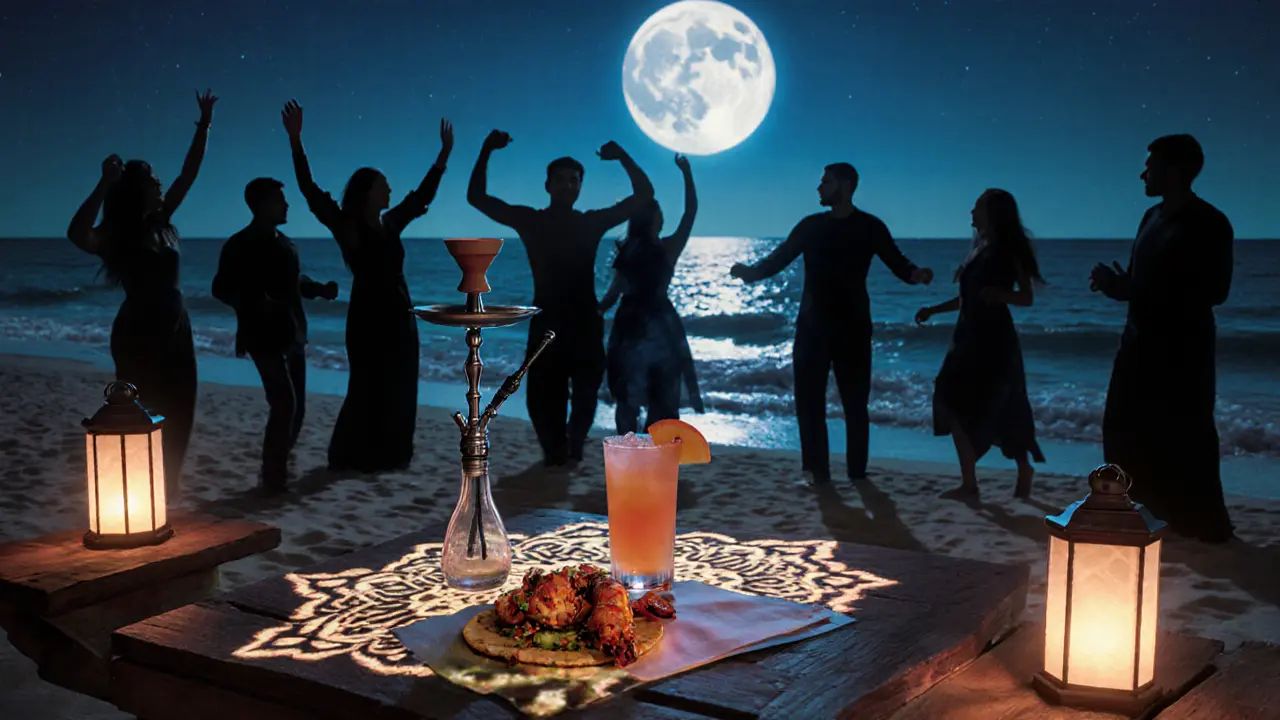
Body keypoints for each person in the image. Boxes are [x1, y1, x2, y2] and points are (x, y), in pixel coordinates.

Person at [730, 163, 933, 484]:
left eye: (826, 182)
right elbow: (779, 258)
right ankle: (816, 472)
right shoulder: (810, 226)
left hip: (853, 328)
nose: (819, 187)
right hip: (812, 327)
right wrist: (751, 273)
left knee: (855, 404)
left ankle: (857, 473)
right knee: (809, 403)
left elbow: (898, 262)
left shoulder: (870, 227)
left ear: (846, 186)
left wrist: (917, 274)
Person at [281, 100, 452, 473]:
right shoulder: (348, 226)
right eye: (383, 185)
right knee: (368, 384)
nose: (389, 190)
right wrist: (297, 142)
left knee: (402, 381)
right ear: (367, 192)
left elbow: (419, 199)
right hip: (368, 316)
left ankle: (392, 454)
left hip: (400, 312)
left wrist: (442, 158)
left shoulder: (390, 224)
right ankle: (352, 455)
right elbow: (310, 191)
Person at [467, 130, 654, 466]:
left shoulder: (591, 222)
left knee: (585, 392)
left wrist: (623, 156)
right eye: (561, 180)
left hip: (584, 320)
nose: (568, 186)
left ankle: (575, 447)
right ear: (548, 185)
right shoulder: (531, 220)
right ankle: (555, 452)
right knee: (541, 394)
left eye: (574, 181)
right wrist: (486, 151)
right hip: (548, 319)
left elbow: (644, 194)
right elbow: (477, 198)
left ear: (580, 186)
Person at [66, 89, 218, 500]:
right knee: (139, 418)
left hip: (176, 330)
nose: (159, 182)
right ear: (135, 189)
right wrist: (104, 183)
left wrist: (204, 122)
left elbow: (190, 171)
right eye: (151, 179)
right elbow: (77, 233)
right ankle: (139, 494)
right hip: (139, 333)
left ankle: (164, 493)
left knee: (181, 413)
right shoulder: (117, 233)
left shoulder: (162, 222)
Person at [1089, 134, 1235, 543]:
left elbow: (1214, 291)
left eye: (1150, 166)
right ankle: (1141, 513)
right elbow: (1138, 283)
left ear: (1174, 171)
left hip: (1182, 352)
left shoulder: (1209, 222)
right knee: (1122, 431)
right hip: (1137, 345)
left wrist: (1134, 287)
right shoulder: (1150, 218)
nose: (1143, 174)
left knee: (1188, 437)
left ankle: (1202, 526)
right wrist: (1116, 285)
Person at [915, 189, 1046, 499]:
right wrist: (934, 310)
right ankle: (969, 483)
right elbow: (966, 298)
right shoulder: (977, 248)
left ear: (992, 213)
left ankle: (1023, 468)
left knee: (1003, 403)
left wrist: (1002, 295)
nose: (971, 215)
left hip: (994, 338)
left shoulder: (1007, 250)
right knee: (949, 397)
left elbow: (1026, 297)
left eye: (976, 209)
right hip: (966, 336)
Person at [212, 177, 339, 494]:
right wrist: (254, 303)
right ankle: (273, 478)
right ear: (259, 204)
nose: (286, 205)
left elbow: (295, 280)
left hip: (293, 334)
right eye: (279, 200)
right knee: (284, 404)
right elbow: (221, 288)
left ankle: (277, 469)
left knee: (297, 409)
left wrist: (318, 290)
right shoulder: (239, 244)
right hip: (263, 337)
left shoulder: (286, 243)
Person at [599, 153, 704, 434]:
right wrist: (686, 172)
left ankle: (642, 454)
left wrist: (687, 174)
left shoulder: (641, 250)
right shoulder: (659, 249)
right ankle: (637, 454)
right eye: (657, 213)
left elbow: (613, 295)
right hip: (646, 325)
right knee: (641, 399)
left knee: (642, 398)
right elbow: (690, 212)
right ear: (650, 219)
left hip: (639, 324)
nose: (662, 217)